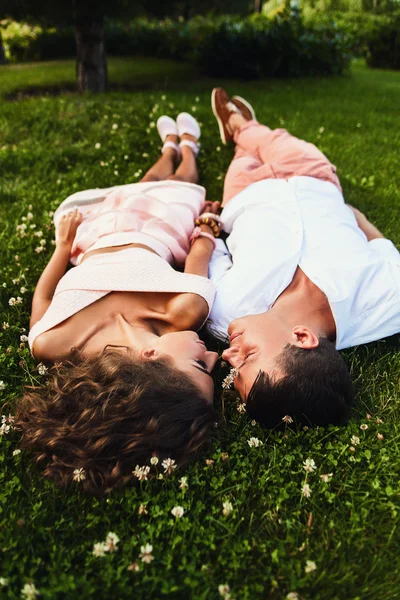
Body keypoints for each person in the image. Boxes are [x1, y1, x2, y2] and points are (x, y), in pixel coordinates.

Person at [16, 112, 221, 495]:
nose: (215, 357)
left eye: (200, 364)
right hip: (160, 232)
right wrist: (207, 226)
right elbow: (196, 262)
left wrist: (62, 248)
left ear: (148, 357)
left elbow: (42, 296)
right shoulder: (184, 312)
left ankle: (174, 149)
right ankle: (184, 148)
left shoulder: (51, 343)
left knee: (141, 187)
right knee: (174, 188)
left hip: (96, 236)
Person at [207, 88, 400, 429]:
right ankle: (242, 123)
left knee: (244, 154)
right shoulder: (383, 303)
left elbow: (214, 253)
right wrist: (356, 216)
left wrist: (207, 225)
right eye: (247, 358)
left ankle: (238, 130)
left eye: (233, 368)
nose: (227, 356)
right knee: (275, 138)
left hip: (245, 194)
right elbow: (385, 250)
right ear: (302, 337)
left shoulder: (227, 314)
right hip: (314, 179)